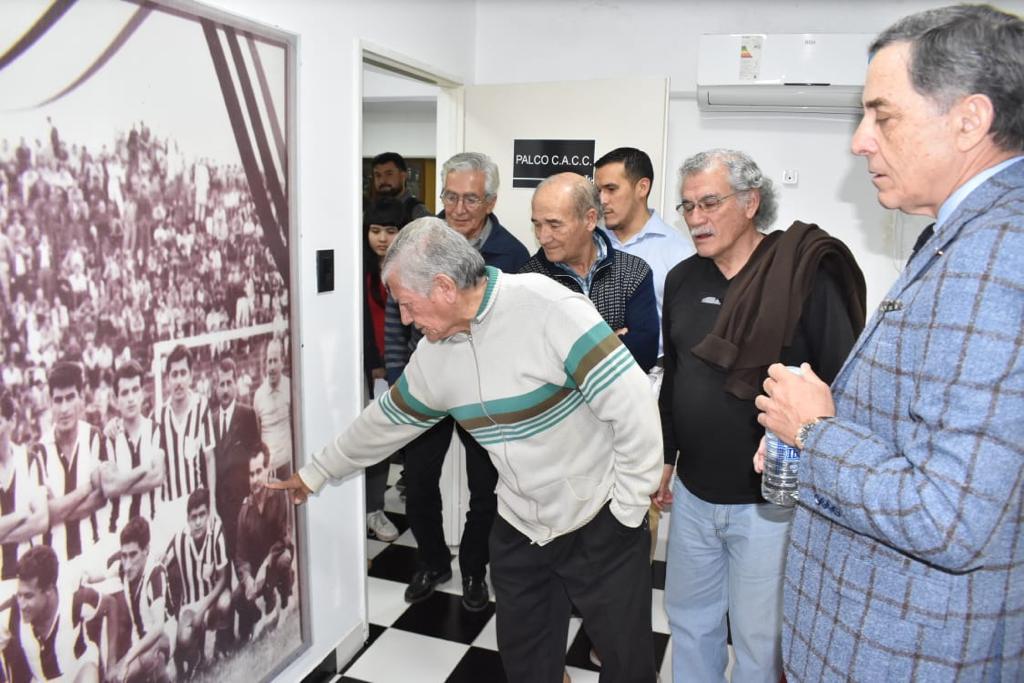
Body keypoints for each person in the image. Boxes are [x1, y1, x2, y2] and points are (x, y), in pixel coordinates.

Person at [754, 6, 1024, 680]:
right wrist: (813, 445)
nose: (859, 141)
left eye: (883, 115)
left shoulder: (999, 257)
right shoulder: (960, 236)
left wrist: (814, 432)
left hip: (902, 653)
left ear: (969, 119)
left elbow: (948, 518)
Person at [272, 218, 662, 682]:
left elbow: (635, 407)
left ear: (442, 287)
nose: (407, 319)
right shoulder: (435, 356)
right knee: (527, 663)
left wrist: (627, 509)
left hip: (598, 516)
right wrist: (314, 472)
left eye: (408, 305)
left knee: (627, 661)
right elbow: (385, 422)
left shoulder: (549, 307)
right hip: (520, 524)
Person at [658, 149, 864, 682]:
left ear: (750, 202)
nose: (696, 218)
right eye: (687, 206)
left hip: (770, 503)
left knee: (761, 640)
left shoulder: (801, 278)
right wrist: (665, 456)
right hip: (696, 497)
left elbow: (843, 386)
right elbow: (677, 377)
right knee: (690, 623)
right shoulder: (681, 280)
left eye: (709, 202)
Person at [382, 152, 528, 611]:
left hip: (484, 394)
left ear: (491, 201)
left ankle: (473, 570)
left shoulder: (513, 254)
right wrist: (396, 377)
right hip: (428, 389)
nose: (459, 208)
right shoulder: (416, 243)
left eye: (471, 198)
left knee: (486, 488)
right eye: (450, 196)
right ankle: (431, 562)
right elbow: (394, 317)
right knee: (419, 482)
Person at [521, 172, 658, 372]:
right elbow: (532, 363)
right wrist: (612, 341)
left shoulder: (633, 271)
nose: (543, 237)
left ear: (590, 219)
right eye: (537, 224)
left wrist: (567, 351)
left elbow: (645, 354)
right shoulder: (527, 281)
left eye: (554, 224)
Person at [594, 146, 695, 358]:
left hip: (654, 377)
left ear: (642, 187)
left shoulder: (679, 253)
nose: (602, 200)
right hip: (591, 375)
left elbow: (687, 333)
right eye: (598, 191)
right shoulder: (589, 245)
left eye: (611, 189)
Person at [362, 198, 410, 543]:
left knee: (383, 443)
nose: (381, 238)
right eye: (375, 230)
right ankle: (370, 509)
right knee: (367, 443)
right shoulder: (356, 272)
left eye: (390, 231)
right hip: (363, 372)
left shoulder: (410, 271)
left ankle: (376, 507)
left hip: (400, 369)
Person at [32, 361, 109, 572]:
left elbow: (102, 498)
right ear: (50, 403)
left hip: (93, 557)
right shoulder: (38, 452)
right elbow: (47, 514)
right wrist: (87, 489)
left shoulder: (95, 437)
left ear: (81, 398)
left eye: (70, 397)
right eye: (58, 400)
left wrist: (58, 509)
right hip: (55, 566)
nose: (64, 408)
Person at [2, 546, 101, 683]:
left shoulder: (75, 598)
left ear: (48, 590)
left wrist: (112, 661)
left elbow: (110, 605)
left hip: (79, 670)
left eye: (28, 596)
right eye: (19, 595)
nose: (22, 604)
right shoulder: (11, 611)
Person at [164, 487, 232, 675]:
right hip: (190, 603)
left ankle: (221, 641)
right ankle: (196, 656)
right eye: (193, 517)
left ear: (208, 514)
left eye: (202, 515)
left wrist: (203, 609)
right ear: (188, 519)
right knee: (184, 637)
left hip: (211, 597)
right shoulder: (179, 539)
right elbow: (161, 565)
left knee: (226, 602)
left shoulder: (216, 530)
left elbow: (223, 578)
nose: (198, 521)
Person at [234, 443, 292, 644]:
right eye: (251, 474)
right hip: (258, 570)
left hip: (276, 558)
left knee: (284, 560)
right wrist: (248, 577)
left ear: (267, 469)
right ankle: (262, 616)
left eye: (259, 471)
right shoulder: (245, 510)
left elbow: (283, 537)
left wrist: (267, 563)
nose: (255, 479)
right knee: (237, 597)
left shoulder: (279, 491)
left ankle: (285, 602)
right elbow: (240, 555)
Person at [103, 361, 165, 540]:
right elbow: (109, 488)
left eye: (135, 390)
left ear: (143, 393)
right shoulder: (109, 438)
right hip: (118, 536)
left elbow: (157, 477)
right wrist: (146, 468)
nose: (130, 398)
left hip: (153, 531)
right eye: (124, 392)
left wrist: (120, 483)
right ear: (115, 400)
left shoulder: (155, 430)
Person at [108, 517, 171, 683]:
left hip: (164, 639)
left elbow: (158, 627)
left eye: (133, 555)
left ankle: (165, 673)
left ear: (146, 550)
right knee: (114, 678)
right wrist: (85, 577)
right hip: (139, 644)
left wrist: (129, 657)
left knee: (146, 658)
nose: (127, 564)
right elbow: (103, 574)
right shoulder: (124, 568)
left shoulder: (155, 573)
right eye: (124, 555)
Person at [211, 356, 260, 559]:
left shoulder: (247, 415)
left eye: (229, 383)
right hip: (221, 507)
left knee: (247, 559)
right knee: (226, 559)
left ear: (236, 384)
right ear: (215, 387)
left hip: (243, 504)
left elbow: (257, 458)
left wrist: (253, 498)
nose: (225, 389)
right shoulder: (210, 420)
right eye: (221, 384)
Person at [156, 345, 215, 510]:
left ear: (191, 377)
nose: (179, 381)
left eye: (183, 373)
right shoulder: (159, 416)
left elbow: (209, 458)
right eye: (174, 374)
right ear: (167, 379)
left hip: (197, 505)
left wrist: (213, 505)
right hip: (170, 507)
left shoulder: (201, 406)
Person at [0, 391, 48, 586]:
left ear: (11, 420)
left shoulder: (29, 461)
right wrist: (22, 515)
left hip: (29, 578)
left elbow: (42, 521)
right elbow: (32, 519)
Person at [253, 338, 292, 477]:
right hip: (268, 469)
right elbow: (258, 432)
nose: (272, 366)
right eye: (269, 361)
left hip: (289, 464)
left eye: (275, 360)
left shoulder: (290, 387)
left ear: (282, 362)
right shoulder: (258, 396)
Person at [369, 152, 431, 222]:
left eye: (389, 174)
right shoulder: (371, 209)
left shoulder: (417, 211)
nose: (382, 180)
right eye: (378, 175)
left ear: (403, 176)